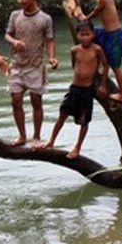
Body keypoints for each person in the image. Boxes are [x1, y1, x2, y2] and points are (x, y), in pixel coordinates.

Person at [4, 0, 58, 147]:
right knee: (16, 100)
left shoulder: (45, 19)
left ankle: (36, 137)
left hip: (35, 65)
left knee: (36, 101)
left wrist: (51, 57)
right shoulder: (15, 16)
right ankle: (22, 136)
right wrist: (13, 42)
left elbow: (49, 40)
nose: (20, 1)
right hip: (17, 65)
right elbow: (7, 35)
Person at [43, 20, 108, 159]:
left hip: (87, 89)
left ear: (92, 34)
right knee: (62, 114)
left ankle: (77, 147)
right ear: (77, 35)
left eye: (87, 34)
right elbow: (75, 65)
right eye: (82, 35)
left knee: (84, 121)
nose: (85, 37)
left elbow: (105, 65)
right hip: (74, 88)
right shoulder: (75, 50)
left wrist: (102, 84)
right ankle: (51, 141)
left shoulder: (97, 49)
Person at [64, 0, 122, 102]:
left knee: (116, 67)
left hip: (114, 36)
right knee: (90, 34)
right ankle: (99, 62)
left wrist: (83, 18)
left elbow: (95, 11)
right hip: (105, 32)